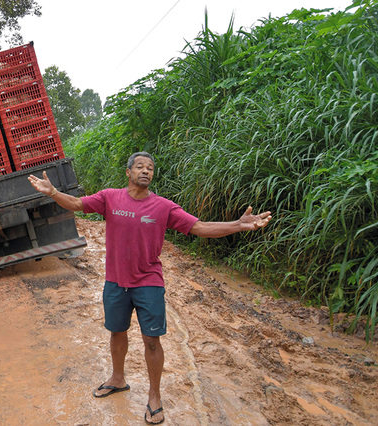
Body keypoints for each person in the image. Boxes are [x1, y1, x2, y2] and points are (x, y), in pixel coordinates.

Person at [28, 151, 271, 425]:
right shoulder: (110, 197)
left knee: (152, 341)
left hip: (149, 282)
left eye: (151, 168)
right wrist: (53, 193)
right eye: (140, 167)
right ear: (128, 172)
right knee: (116, 332)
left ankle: (154, 396)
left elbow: (200, 227)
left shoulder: (163, 207)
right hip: (115, 281)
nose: (146, 171)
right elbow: (75, 203)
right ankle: (118, 379)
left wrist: (238, 225)